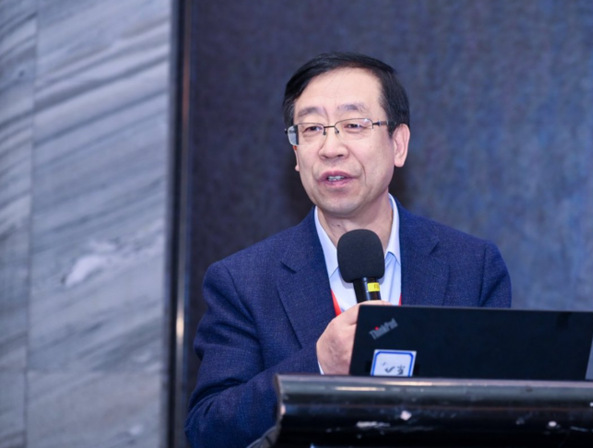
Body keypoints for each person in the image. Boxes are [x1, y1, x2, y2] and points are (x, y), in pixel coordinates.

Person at [184, 52, 512, 448]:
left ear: (398, 144)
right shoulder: (243, 281)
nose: (330, 147)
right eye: (311, 129)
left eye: (354, 125)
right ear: (296, 153)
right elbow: (209, 431)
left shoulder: (472, 267)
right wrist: (319, 364)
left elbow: (507, 416)